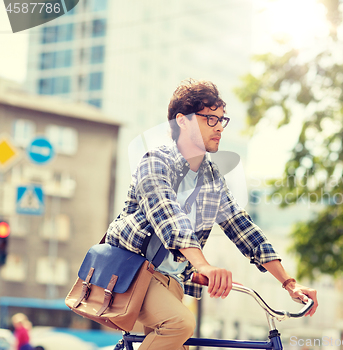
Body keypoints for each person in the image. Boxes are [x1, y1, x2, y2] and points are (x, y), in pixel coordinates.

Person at [105, 79, 318, 350]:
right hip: (131, 274)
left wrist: (290, 283)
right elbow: (168, 216)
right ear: (182, 121)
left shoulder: (212, 177)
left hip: (172, 281)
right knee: (180, 324)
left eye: (221, 119)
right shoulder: (155, 161)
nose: (218, 126)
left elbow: (243, 229)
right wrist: (203, 264)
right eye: (210, 119)